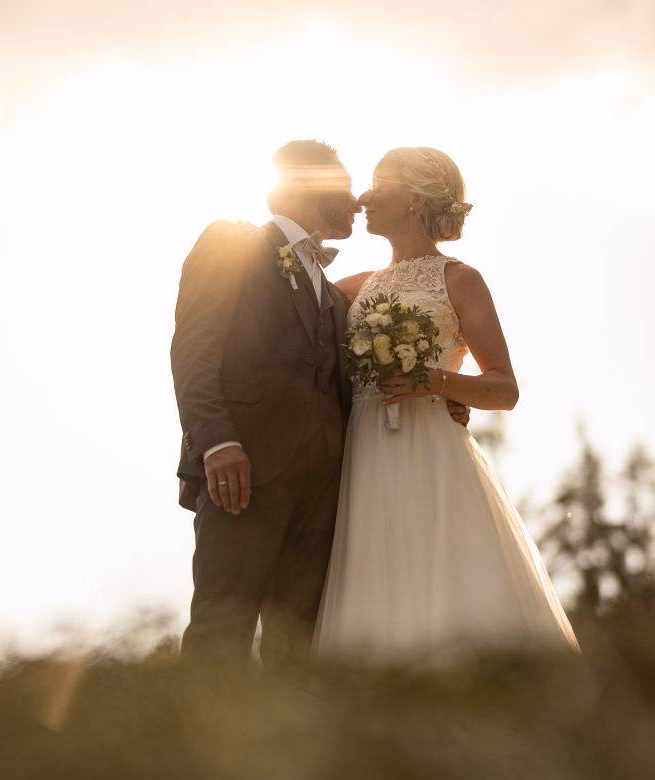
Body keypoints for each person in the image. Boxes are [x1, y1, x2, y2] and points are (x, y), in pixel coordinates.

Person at [170, 140, 469, 666]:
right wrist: (217, 442)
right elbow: (193, 351)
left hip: (325, 492)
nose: (357, 201)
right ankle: (200, 747)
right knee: (222, 631)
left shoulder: (335, 296)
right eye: (348, 187)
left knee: (300, 651)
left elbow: (352, 382)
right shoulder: (229, 244)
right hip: (243, 476)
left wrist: (437, 397)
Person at [313, 147, 579, 661]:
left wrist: (434, 381)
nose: (364, 196)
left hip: (429, 451)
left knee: (443, 582)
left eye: (378, 182)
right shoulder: (350, 289)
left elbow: (504, 389)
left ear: (413, 199)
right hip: (361, 453)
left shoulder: (459, 279)